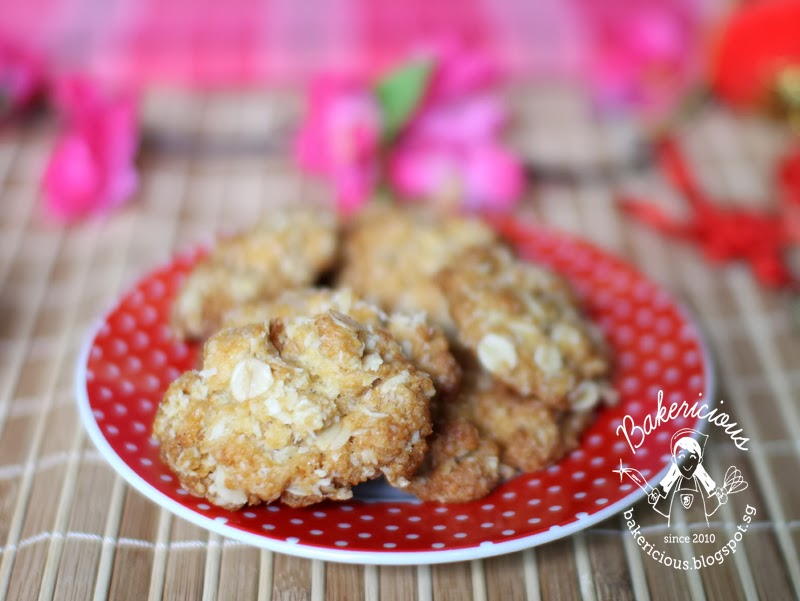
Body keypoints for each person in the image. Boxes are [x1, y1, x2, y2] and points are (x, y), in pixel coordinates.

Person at [648, 428, 728, 526]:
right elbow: (663, 492)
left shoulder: (700, 474)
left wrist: (720, 497)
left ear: (699, 459)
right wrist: (654, 498)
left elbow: (712, 491)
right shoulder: (673, 474)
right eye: (681, 456)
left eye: (693, 457)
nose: (688, 464)